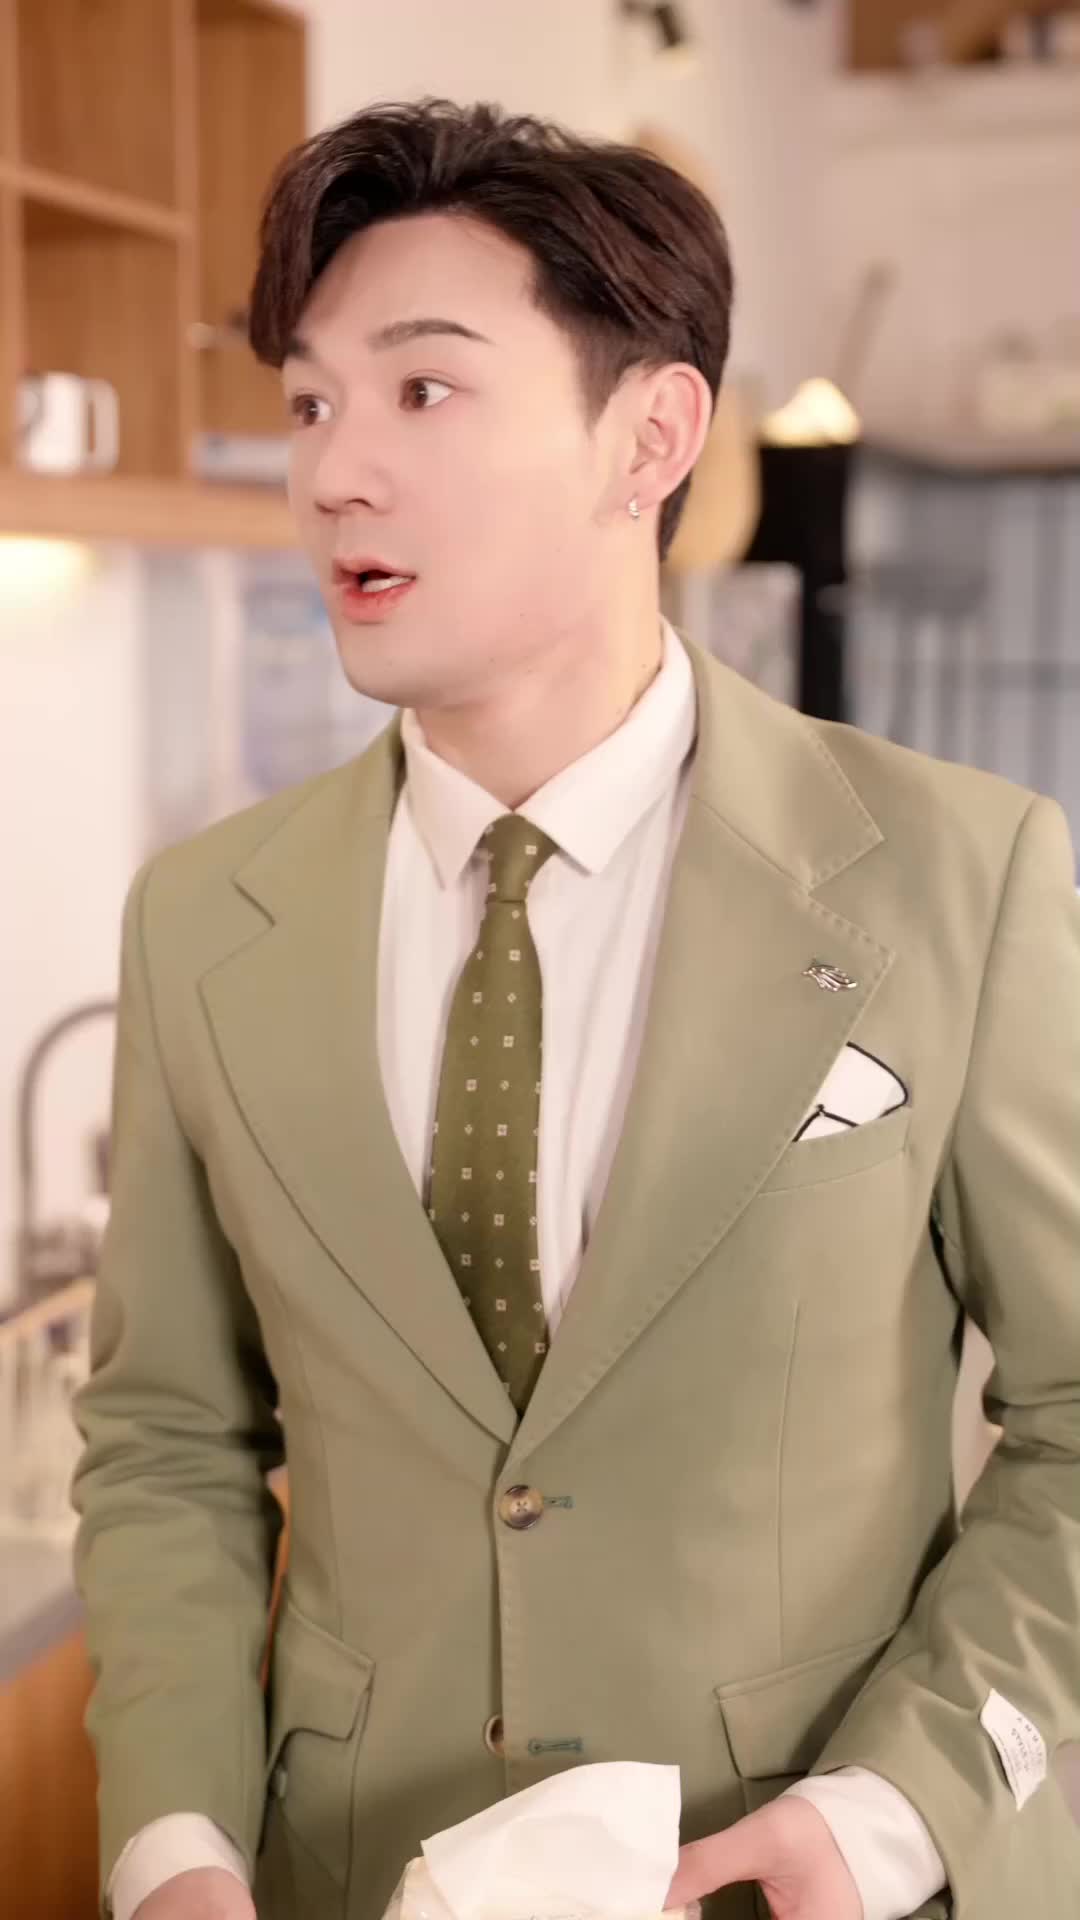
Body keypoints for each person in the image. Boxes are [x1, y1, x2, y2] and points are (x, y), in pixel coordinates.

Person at [72, 98, 1080, 1920]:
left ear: (652, 438)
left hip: (796, 1871)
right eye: (308, 404)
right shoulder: (199, 922)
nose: (335, 471)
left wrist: (897, 1809)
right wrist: (173, 1845)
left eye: (422, 389)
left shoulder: (964, 873)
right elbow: (167, 1445)